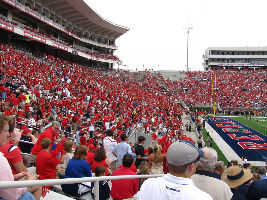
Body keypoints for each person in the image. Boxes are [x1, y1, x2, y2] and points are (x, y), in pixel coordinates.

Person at [138, 140, 212, 200]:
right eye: (196, 161)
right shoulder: (203, 197)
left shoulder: (147, 185)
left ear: (167, 163)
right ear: (192, 166)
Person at [0, 114, 40, 200]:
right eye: (6, 131)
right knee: (37, 184)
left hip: (7, 183)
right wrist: (29, 182)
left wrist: (13, 177)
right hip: (9, 192)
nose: (7, 134)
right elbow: (12, 194)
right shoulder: (8, 153)